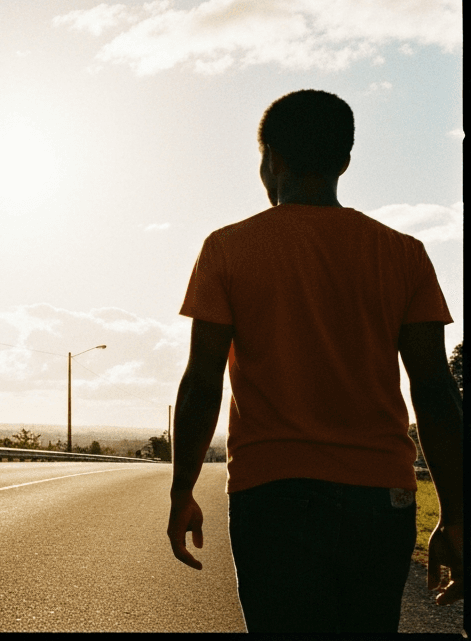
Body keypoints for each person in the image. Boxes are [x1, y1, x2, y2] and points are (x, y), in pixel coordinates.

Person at [165, 89, 463, 633]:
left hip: (270, 492)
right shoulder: (403, 253)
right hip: (381, 496)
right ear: (345, 162)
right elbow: (436, 391)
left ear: (271, 159)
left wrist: (183, 490)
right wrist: (458, 515)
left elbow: (201, 380)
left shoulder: (227, 249)